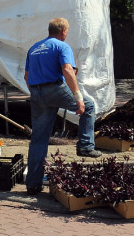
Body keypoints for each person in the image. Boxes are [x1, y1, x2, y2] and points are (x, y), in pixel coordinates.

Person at [24, 18, 100, 196]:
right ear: (63, 31)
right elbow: (67, 69)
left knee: (38, 140)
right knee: (88, 106)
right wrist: (78, 97)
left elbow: (27, 77)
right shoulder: (61, 46)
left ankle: (33, 185)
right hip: (54, 88)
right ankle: (85, 146)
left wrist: (38, 93)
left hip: (36, 92)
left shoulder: (34, 48)